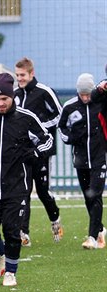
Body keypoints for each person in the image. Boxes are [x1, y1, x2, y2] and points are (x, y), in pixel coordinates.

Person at [0, 73, 54, 286]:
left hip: (16, 187)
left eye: (4, 99)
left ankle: (10, 273)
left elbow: (47, 140)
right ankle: (0, 252)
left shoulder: (26, 118)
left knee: (13, 231)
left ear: (12, 96)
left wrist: (34, 154)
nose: (1, 103)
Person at [14, 57, 64, 245]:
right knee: (23, 191)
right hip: (23, 152)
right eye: (17, 75)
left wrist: (39, 127)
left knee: (42, 191)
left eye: (23, 75)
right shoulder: (15, 94)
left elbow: (59, 115)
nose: (20, 78)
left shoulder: (44, 92)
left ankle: (55, 220)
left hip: (42, 151)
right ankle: (23, 233)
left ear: (31, 73)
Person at [59, 73, 106, 249]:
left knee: (96, 195)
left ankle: (92, 238)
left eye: (88, 94)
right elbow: (62, 128)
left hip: (99, 156)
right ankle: (100, 230)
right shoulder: (70, 107)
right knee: (88, 197)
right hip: (80, 159)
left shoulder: (101, 102)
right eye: (82, 94)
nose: (85, 98)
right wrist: (70, 138)